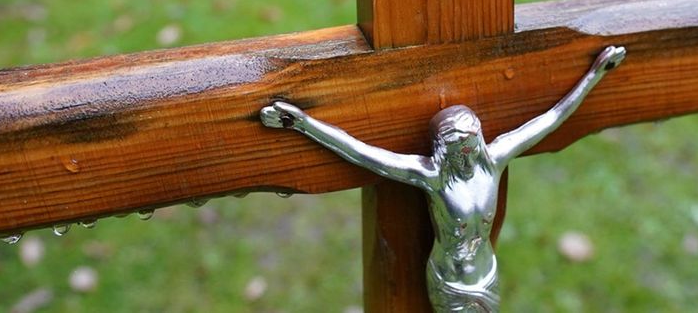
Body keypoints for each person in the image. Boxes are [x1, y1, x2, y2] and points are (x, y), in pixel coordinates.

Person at [260, 45, 627, 312]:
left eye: (471, 142)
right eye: (458, 147)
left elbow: (550, 119)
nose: (467, 152)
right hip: (450, 282)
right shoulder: (432, 176)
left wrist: (594, 75)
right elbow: (364, 154)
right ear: (444, 149)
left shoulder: (494, 160)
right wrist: (303, 124)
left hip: (486, 274)